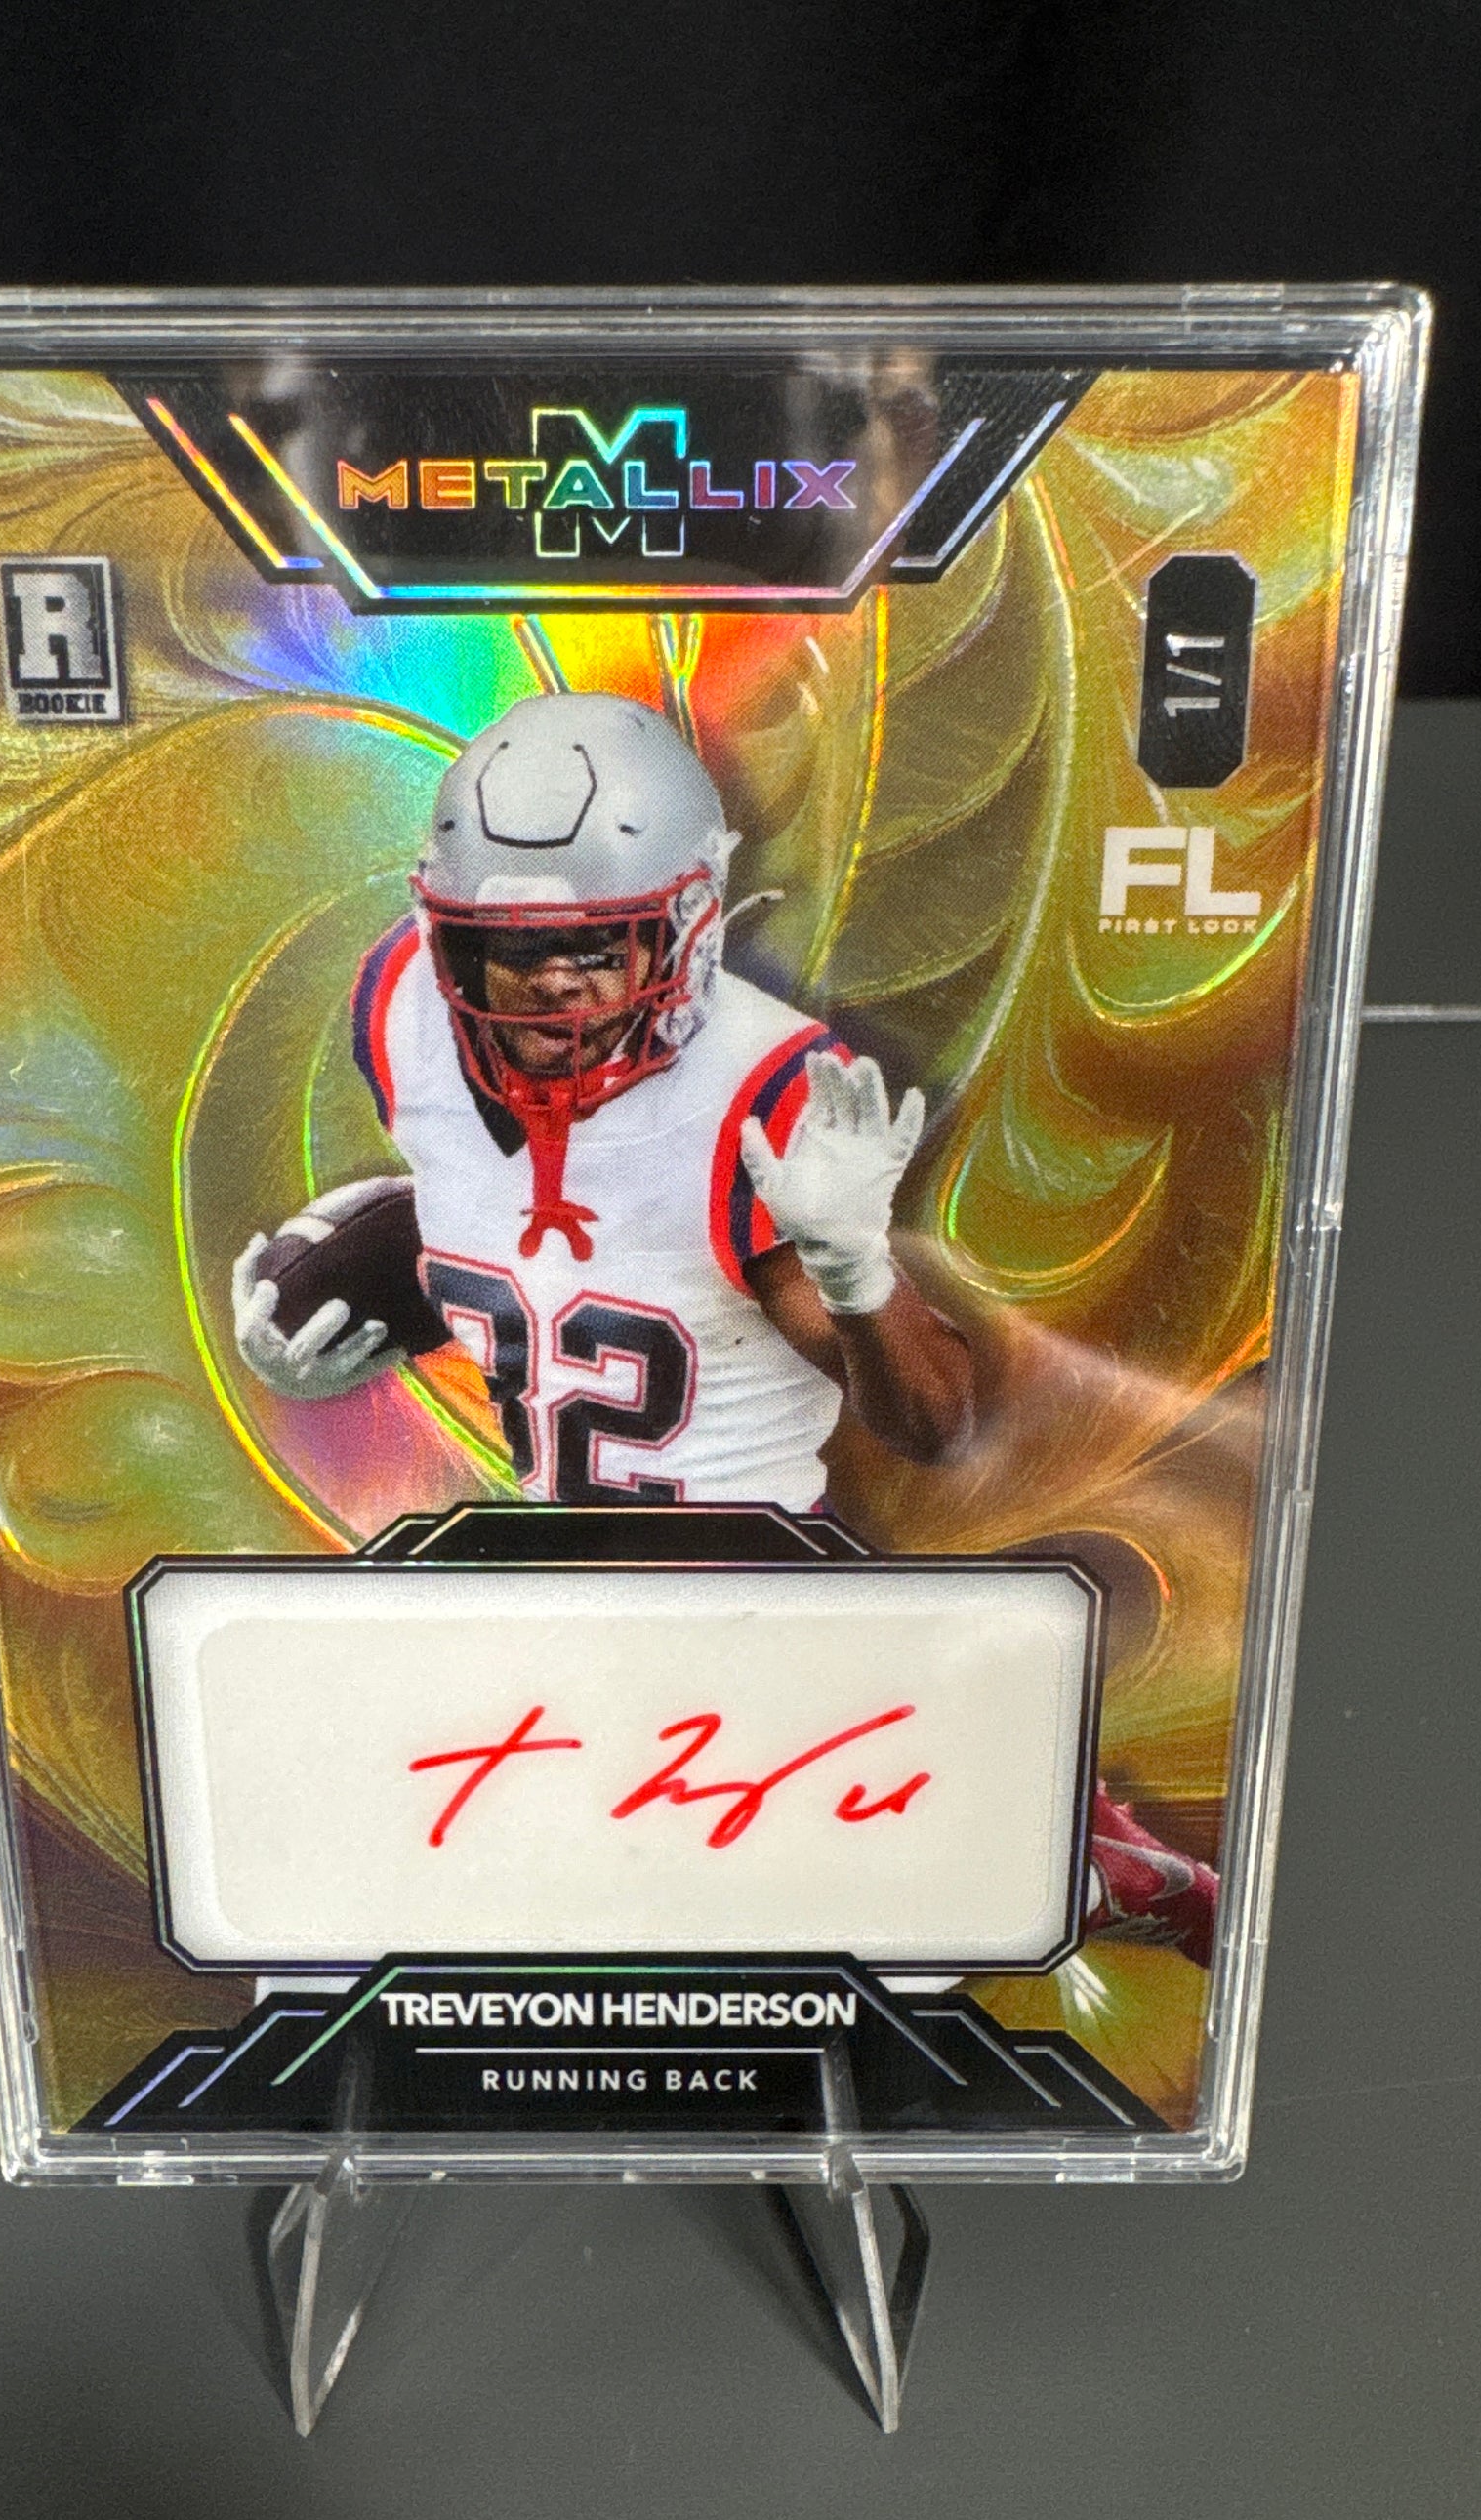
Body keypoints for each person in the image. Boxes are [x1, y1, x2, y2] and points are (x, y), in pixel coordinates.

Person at [233, 690, 1214, 1960]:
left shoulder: (762, 1098)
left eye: (601, 947)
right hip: (551, 1567)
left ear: (693, 922)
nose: (552, 989)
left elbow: (935, 1423)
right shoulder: (401, 1007)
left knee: (914, 1897)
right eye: (510, 949)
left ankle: (1111, 1867)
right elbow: (519, 1246)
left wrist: (854, 1269)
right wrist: (339, 1320)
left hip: (749, 1584)